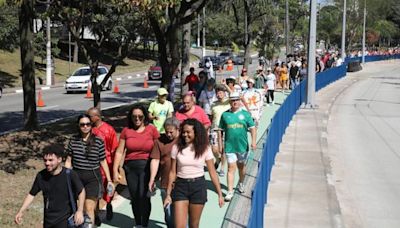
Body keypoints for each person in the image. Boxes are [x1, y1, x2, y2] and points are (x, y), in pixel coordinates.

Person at [163, 118, 224, 228]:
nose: (185, 135)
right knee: (179, 226)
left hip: (198, 187)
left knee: (193, 225)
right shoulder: (176, 148)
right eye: (183, 132)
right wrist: (168, 194)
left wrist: (219, 194)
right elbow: (172, 172)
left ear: (196, 133)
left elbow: (212, 172)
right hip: (180, 186)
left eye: (188, 132)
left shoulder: (205, 149)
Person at [15, 144, 86, 228]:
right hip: (48, 221)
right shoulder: (41, 176)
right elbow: (32, 194)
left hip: (65, 221)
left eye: (51, 160)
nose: (47, 163)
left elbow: (81, 191)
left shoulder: (70, 174)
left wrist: (80, 211)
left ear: (59, 159)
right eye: (45, 160)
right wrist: (21, 211)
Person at [113, 104, 160, 228]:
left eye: (140, 116)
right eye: (134, 116)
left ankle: (144, 224)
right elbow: (119, 151)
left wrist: (159, 171)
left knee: (143, 196)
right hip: (130, 168)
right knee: (135, 197)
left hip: (147, 166)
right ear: (131, 117)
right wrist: (115, 169)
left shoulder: (152, 129)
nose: (137, 119)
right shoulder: (126, 131)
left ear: (145, 116)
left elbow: (158, 149)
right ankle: (138, 223)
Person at [65, 114, 114, 224]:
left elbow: (103, 161)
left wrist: (109, 180)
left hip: (93, 178)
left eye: (88, 124)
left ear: (91, 125)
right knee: (79, 209)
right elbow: (69, 160)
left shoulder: (98, 141)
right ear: (78, 126)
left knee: (89, 208)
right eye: (82, 124)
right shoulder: (73, 140)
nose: (85, 127)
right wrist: (65, 176)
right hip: (76, 177)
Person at [219, 92, 257, 201]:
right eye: (232, 100)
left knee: (241, 167)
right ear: (230, 102)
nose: (235, 102)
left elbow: (253, 129)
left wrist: (253, 142)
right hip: (230, 146)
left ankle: (241, 182)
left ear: (239, 101)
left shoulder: (245, 114)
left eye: (236, 100)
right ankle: (230, 191)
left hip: (242, 146)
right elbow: (220, 131)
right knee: (231, 168)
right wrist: (221, 145)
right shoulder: (225, 115)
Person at [87, 107, 119, 221]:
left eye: (89, 116)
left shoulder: (108, 130)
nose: (88, 119)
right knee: (95, 190)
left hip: (107, 165)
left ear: (97, 117)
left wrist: (116, 167)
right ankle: (96, 214)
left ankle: (109, 204)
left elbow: (114, 149)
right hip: (93, 165)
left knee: (107, 188)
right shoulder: (89, 129)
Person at [148, 117, 180, 228]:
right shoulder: (159, 141)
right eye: (166, 131)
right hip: (166, 182)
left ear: (177, 129)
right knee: (169, 213)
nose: (168, 134)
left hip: (182, 182)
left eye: (171, 132)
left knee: (182, 214)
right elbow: (155, 160)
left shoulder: (183, 140)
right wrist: (152, 179)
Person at [210, 85, 231, 177]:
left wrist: (226, 86)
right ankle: (218, 160)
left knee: (223, 150)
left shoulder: (228, 102)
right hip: (215, 128)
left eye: (221, 92)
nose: (219, 94)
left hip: (225, 129)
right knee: (214, 149)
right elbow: (211, 117)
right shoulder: (213, 104)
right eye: (217, 93)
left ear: (224, 93)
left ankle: (222, 167)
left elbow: (233, 94)